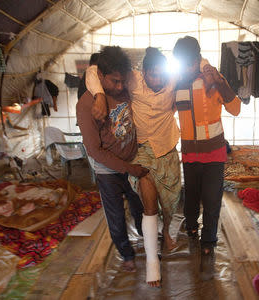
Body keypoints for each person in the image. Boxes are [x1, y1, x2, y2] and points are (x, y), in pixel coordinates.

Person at [86, 47, 213, 287]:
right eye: (153, 75)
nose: (158, 80)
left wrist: (206, 68)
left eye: (161, 76)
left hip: (166, 148)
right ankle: (153, 260)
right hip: (141, 150)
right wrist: (99, 96)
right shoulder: (132, 79)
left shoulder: (171, 78)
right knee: (149, 198)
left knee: (171, 201)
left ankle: (165, 231)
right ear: (143, 72)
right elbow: (93, 70)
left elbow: (199, 62)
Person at [173, 36, 241, 280]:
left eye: (190, 63)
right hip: (190, 154)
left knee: (212, 199)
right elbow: (164, 110)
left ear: (197, 59)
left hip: (214, 153)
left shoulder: (212, 78)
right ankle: (191, 226)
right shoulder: (177, 84)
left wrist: (219, 83)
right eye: (182, 64)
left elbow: (235, 108)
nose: (187, 69)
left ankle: (208, 240)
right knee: (191, 195)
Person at [76, 46, 147, 273]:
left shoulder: (125, 89)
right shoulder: (86, 104)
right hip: (108, 171)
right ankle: (127, 254)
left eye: (122, 81)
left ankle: (147, 237)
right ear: (100, 76)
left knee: (140, 206)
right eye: (114, 81)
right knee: (116, 215)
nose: (120, 87)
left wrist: (133, 165)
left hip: (131, 161)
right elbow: (95, 151)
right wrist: (128, 168)